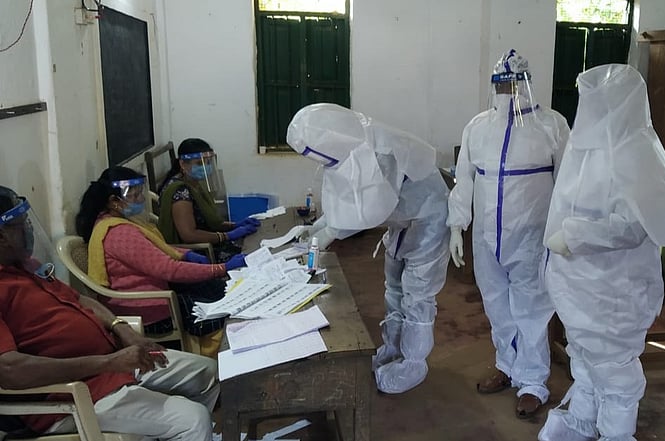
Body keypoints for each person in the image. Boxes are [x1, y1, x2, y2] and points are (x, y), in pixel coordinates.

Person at [538, 64, 665, 441]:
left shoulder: (637, 151)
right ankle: (583, 422)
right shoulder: (584, 149)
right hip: (578, 285)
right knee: (584, 358)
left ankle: (616, 434)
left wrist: (574, 236)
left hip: (614, 288)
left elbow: (634, 225)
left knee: (613, 368)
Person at [0, 184, 219, 439]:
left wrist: (121, 328)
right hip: (73, 394)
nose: (29, 229)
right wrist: (109, 362)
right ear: (1, 236)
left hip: (113, 363)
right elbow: (11, 371)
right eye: (21, 224)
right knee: (193, 420)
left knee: (208, 372)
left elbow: (80, 299)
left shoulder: (27, 267)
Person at [286, 103, 450, 394]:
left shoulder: (379, 151)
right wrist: (319, 226)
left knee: (417, 297)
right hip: (404, 222)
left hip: (428, 219)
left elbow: (370, 210)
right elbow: (349, 199)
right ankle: (393, 350)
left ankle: (412, 364)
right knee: (395, 289)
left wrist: (330, 232)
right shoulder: (352, 147)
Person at [447, 49, 569, 418]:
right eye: (501, 86)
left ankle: (533, 382)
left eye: (513, 85)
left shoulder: (552, 126)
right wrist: (457, 226)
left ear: (527, 84)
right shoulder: (478, 127)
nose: (507, 93)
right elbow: (464, 180)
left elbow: (567, 184)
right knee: (497, 305)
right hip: (487, 238)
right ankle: (506, 365)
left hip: (532, 237)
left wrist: (565, 233)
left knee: (531, 310)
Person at [75, 166, 247, 357]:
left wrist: (185, 254)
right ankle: (219, 359)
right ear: (114, 202)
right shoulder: (120, 233)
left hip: (158, 292)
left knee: (221, 291)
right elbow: (169, 269)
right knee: (224, 312)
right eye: (135, 196)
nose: (141, 199)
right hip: (149, 311)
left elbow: (155, 250)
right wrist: (221, 268)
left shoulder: (111, 221)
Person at [158, 138, 259, 262]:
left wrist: (234, 225)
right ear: (183, 164)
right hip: (198, 252)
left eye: (208, 162)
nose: (206, 167)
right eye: (199, 163)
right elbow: (189, 235)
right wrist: (226, 236)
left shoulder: (194, 183)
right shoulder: (180, 193)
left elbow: (208, 222)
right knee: (252, 257)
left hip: (211, 240)